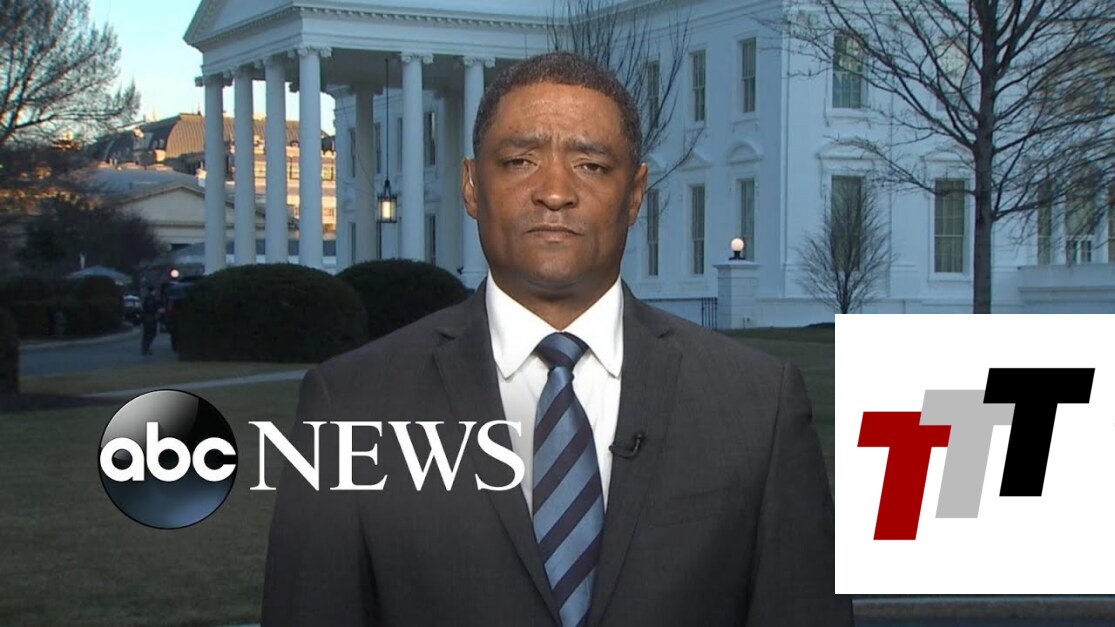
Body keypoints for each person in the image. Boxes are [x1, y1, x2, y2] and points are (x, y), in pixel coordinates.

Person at [262, 51, 851, 626]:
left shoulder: (758, 405)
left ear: (635, 194)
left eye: (591, 165)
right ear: (471, 185)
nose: (554, 191)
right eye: (520, 161)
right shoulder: (352, 404)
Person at [140, 286, 159, 356]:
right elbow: (150, 309)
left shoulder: (148, 298)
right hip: (150, 319)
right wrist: (157, 310)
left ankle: (146, 348)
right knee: (150, 334)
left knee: (147, 334)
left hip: (148, 319)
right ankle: (146, 349)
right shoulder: (150, 299)